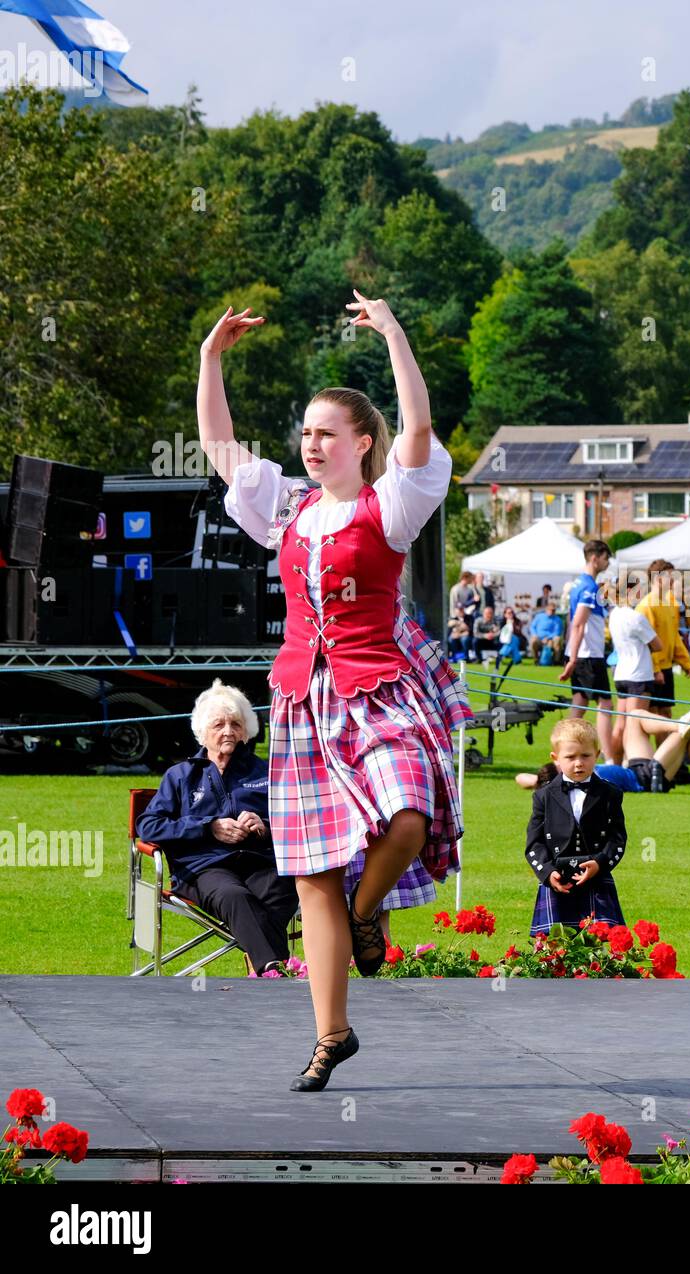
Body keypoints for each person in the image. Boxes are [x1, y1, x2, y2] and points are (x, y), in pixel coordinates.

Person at [199, 291, 469, 1092]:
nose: (311, 444)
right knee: (312, 871)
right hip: (302, 703)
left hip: (378, 688)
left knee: (410, 813)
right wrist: (211, 358)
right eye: (306, 432)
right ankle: (331, 1035)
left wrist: (393, 332)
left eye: (326, 433)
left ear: (360, 443)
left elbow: (416, 431)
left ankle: (364, 912)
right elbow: (218, 446)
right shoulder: (287, 508)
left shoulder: (392, 505)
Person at [135, 679, 298, 977]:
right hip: (203, 868)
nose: (228, 731)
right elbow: (147, 825)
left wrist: (266, 825)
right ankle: (274, 968)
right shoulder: (181, 776)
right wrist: (208, 827)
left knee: (286, 887)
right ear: (202, 732)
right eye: (219, 724)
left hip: (260, 862)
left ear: (247, 730)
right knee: (234, 896)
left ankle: (266, 969)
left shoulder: (267, 772)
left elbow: (296, 821)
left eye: (236, 724)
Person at [524, 718, 627, 936]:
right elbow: (534, 842)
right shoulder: (543, 797)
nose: (578, 763)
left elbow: (617, 838)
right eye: (570, 757)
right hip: (556, 880)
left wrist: (600, 863)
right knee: (554, 949)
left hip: (596, 878)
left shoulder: (610, 794)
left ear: (597, 754)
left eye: (585, 756)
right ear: (556, 759)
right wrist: (547, 872)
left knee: (597, 949)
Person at [515, 703, 690, 797]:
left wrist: (538, 780)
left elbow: (519, 778)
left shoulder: (574, 771)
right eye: (570, 758)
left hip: (635, 767)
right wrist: (554, 779)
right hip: (648, 778)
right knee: (689, 734)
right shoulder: (578, 782)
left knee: (635, 716)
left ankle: (679, 724)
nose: (577, 763)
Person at [560, 539, 615, 760]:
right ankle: (610, 758)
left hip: (583, 654)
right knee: (605, 704)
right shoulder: (588, 587)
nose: (607, 563)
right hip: (588, 655)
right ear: (595, 558)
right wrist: (572, 659)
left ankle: (565, 749)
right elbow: (579, 623)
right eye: (605, 558)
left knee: (580, 704)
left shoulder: (578, 584)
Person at [608, 578, 664, 759]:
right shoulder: (636, 617)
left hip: (621, 673)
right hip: (638, 675)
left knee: (621, 724)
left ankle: (614, 766)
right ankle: (634, 767)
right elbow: (658, 645)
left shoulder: (615, 614)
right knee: (636, 727)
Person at [635, 559, 690, 715]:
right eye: (670, 576)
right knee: (652, 715)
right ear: (658, 579)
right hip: (651, 670)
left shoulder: (670, 604)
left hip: (666, 668)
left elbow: (674, 637)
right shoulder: (646, 606)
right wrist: (655, 670)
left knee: (666, 713)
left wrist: (685, 662)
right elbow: (646, 642)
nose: (673, 580)